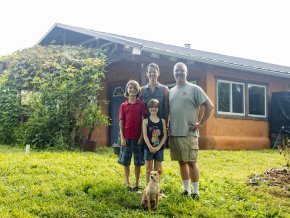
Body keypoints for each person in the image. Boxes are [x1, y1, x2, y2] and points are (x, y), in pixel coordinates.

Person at [169, 62, 214, 200]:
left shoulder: (194, 88)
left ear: (186, 72)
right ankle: (186, 190)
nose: (179, 73)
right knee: (181, 162)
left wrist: (201, 123)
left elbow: (209, 106)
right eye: (177, 70)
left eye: (182, 70)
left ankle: (196, 192)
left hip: (189, 133)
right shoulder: (170, 91)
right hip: (175, 133)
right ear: (173, 72)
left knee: (191, 162)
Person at [118, 80, 146, 192]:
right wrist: (122, 137)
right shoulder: (123, 105)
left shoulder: (141, 104)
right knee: (126, 161)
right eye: (130, 88)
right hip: (127, 137)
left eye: (134, 88)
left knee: (137, 162)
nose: (132, 90)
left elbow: (143, 121)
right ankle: (128, 183)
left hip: (138, 138)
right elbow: (121, 121)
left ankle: (137, 183)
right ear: (127, 90)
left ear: (138, 90)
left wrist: (141, 137)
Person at [142, 99, 167, 184]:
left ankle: (157, 188)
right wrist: (150, 146)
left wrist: (159, 146)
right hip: (148, 147)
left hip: (159, 148)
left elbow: (165, 135)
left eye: (156, 107)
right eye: (151, 107)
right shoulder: (145, 121)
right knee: (149, 169)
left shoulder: (162, 121)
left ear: (158, 108)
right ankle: (148, 187)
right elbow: (145, 135)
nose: (153, 108)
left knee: (158, 169)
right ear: (148, 108)